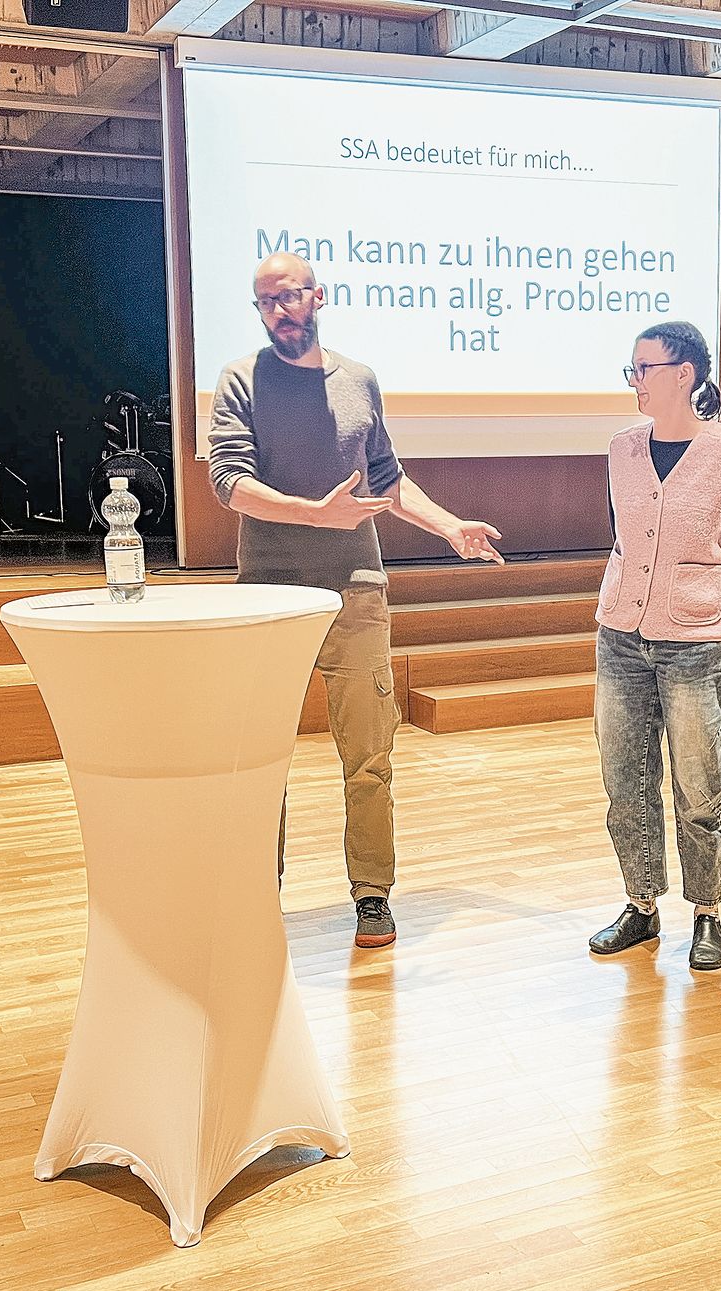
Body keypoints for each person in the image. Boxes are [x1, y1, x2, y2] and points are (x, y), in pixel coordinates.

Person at [207, 252, 505, 950]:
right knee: (258, 760)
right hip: (268, 599)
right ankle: (257, 894)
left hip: (356, 594)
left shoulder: (359, 380)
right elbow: (228, 481)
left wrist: (450, 527)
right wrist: (313, 513)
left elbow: (387, 484)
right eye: (265, 302)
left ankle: (372, 895)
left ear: (319, 296)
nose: (279, 311)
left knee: (370, 757)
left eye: (289, 296)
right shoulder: (240, 380)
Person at [588, 321, 721, 973]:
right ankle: (640, 904)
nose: (635, 381)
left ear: (684, 374)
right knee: (625, 781)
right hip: (622, 639)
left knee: (700, 784)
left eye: (644, 368)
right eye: (629, 369)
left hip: (696, 644)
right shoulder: (621, 449)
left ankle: (708, 913)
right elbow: (623, 538)